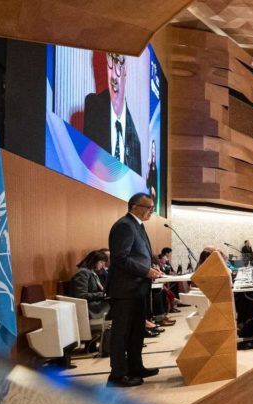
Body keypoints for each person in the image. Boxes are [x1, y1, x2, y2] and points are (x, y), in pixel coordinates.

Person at [106, 193, 163, 387]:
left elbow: (139, 256)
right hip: (125, 290)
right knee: (121, 333)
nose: (151, 212)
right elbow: (120, 258)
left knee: (136, 331)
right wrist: (145, 271)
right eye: (149, 208)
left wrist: (151, 269)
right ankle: (117, 375)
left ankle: (135, 367)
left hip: (138, 289)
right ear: (135, 206)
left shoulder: (137, 225)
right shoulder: (124, 225)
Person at [84, 53, 141, 174]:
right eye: (109, 65)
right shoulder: (94, 107)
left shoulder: (135, 140)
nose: (114, 75)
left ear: (125, 70)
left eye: (118, 64)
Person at [70, 250, 110, 319]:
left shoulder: (91, 272)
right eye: (101, 262)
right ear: (94, 261)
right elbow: (82, 295)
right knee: (115, 303)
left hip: (93, 302)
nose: (102, 265)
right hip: (88, 305)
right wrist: (103, 294)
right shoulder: (83, 273)